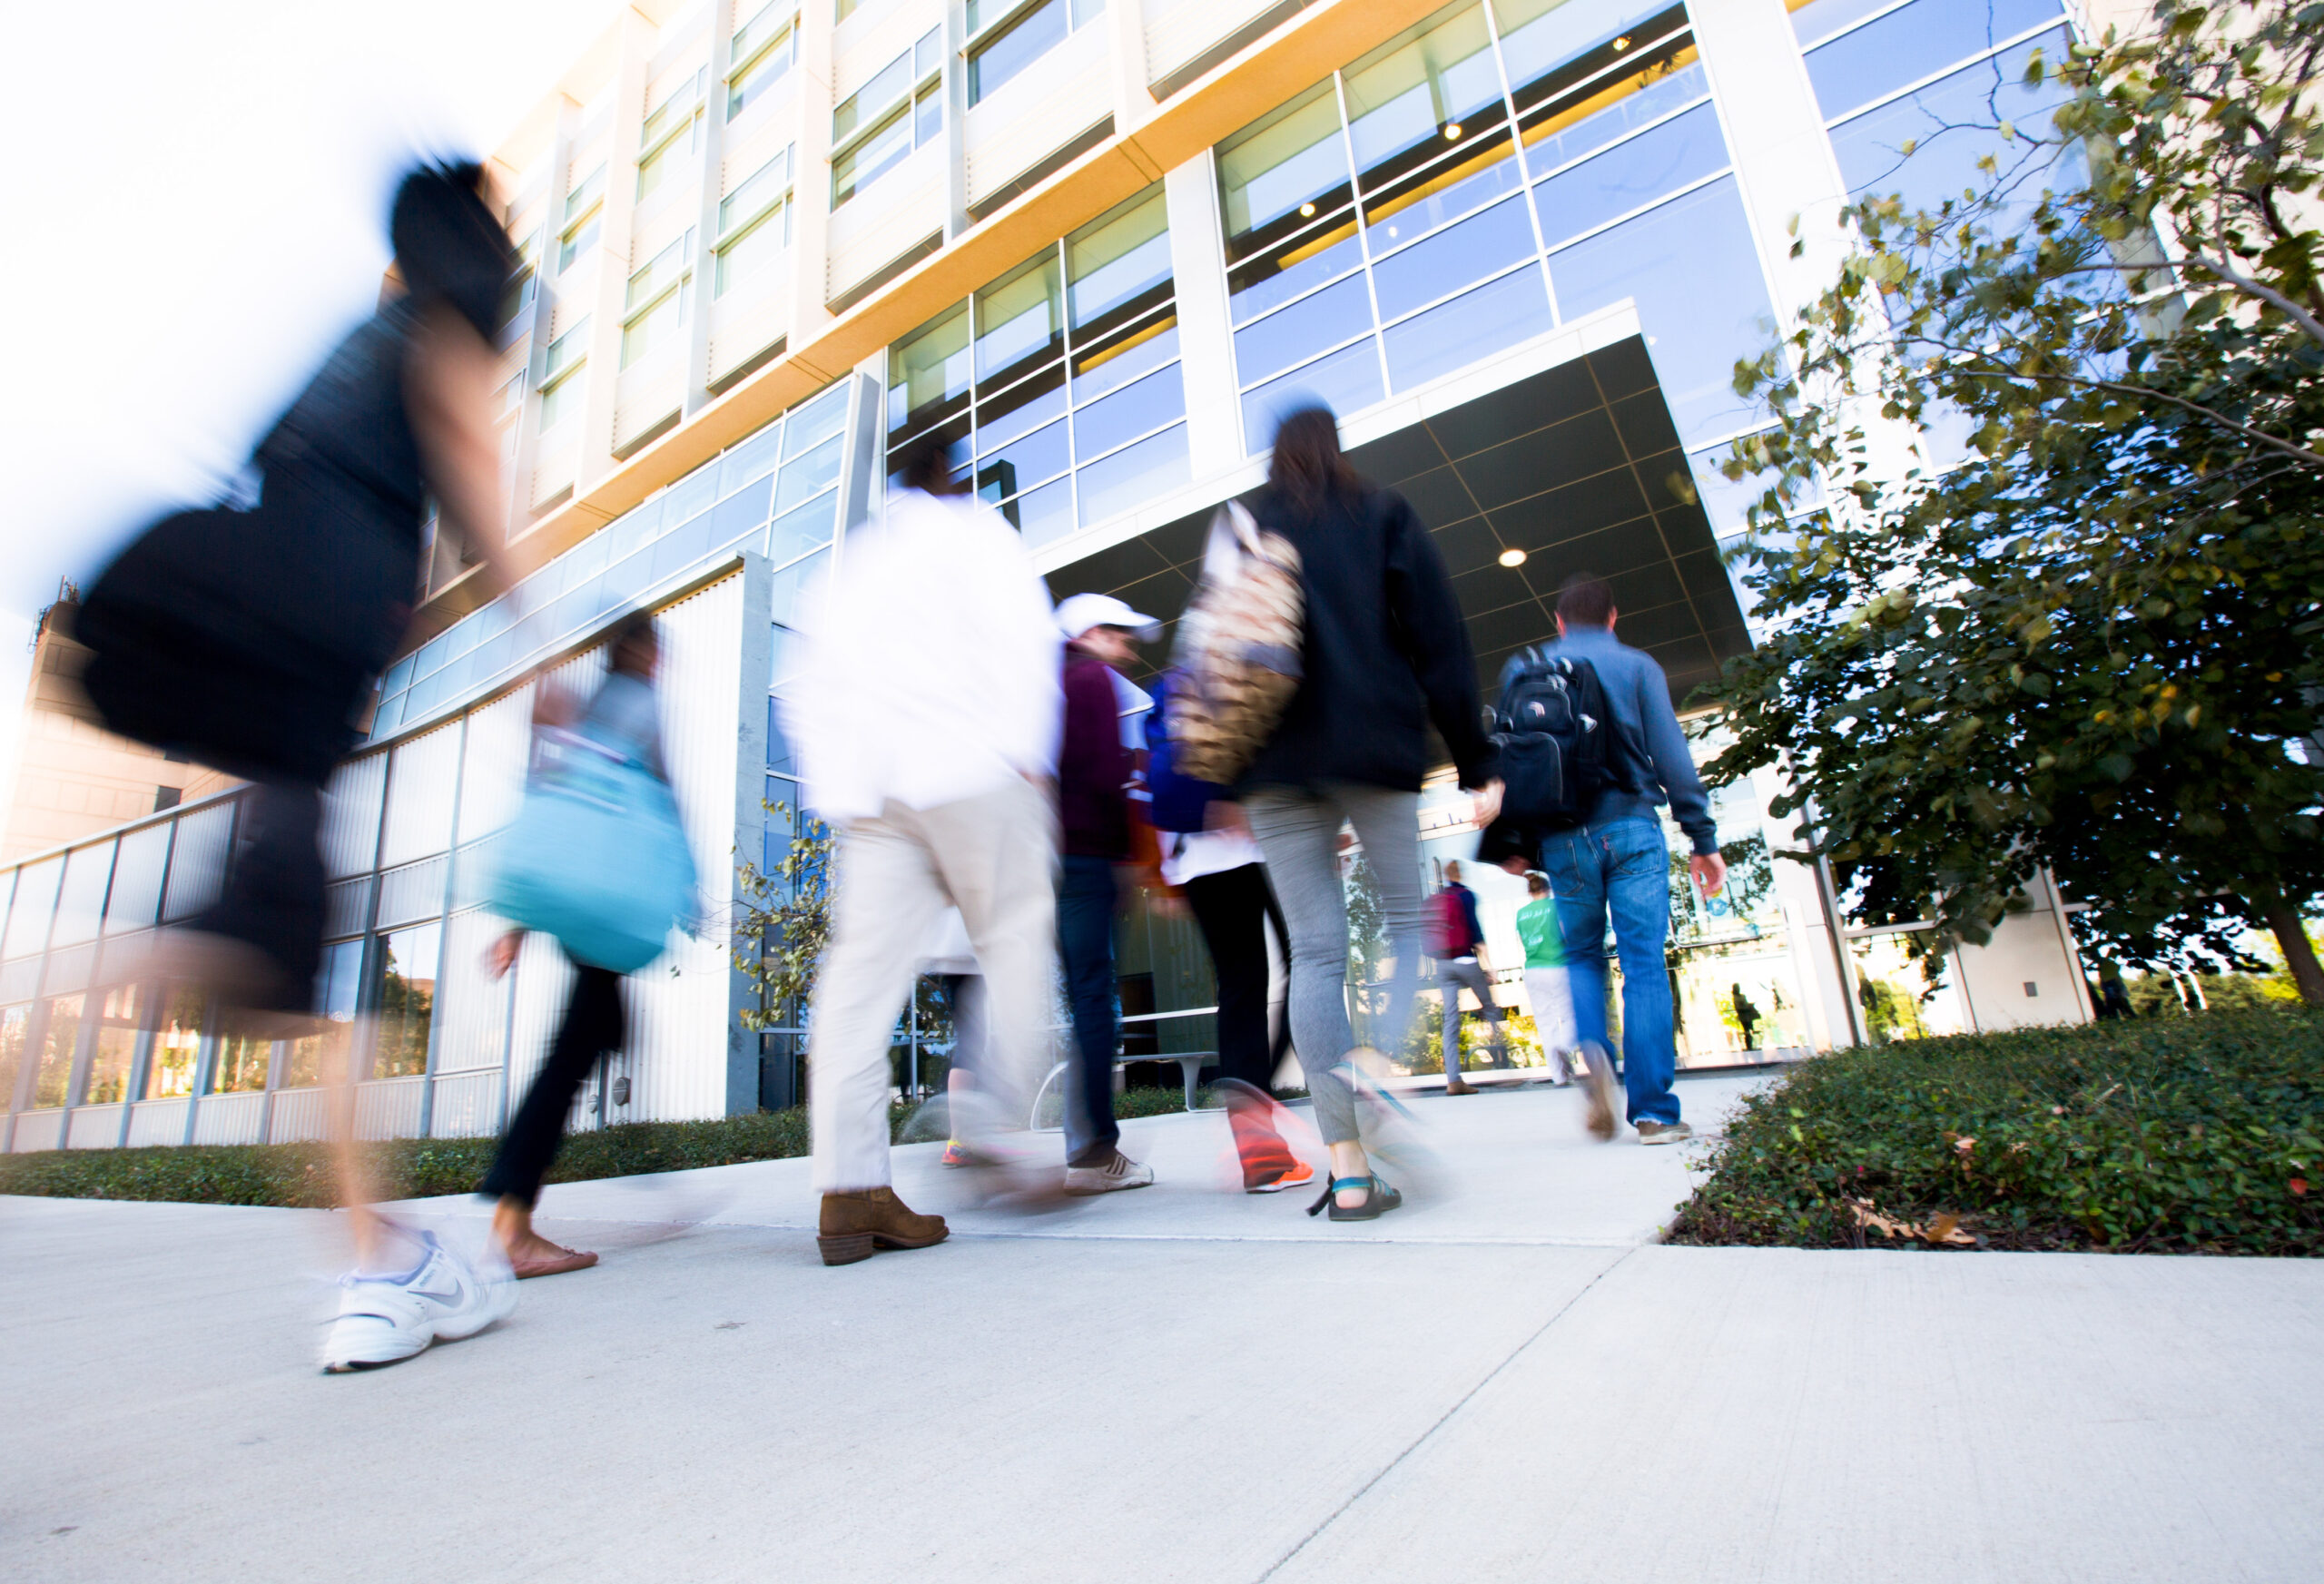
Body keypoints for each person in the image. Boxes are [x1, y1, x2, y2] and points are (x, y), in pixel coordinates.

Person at [76, 162, 525, 1370]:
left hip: (262, 627)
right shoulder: (439, 329)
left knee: (283, 954)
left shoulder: (352, 347)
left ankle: (377, 1250)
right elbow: (468, 492)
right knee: (318, 981)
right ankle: (376, 1265)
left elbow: (376, 539)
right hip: (307, 647)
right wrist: (538, 621)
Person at [782, 429, 1062, 1264]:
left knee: (857, 990)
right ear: (953, 474)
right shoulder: (983, 536)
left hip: (879, 796)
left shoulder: (853, 564)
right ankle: (992, 1127)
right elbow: (1027, 651)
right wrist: (1030, 763)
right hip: (975, 770)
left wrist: (844, 795)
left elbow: (808, 683)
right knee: (1016, 942)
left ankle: (848, 1192)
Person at [1235, 406, 1502, 1221]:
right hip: (1373, 749)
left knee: (1314, 956)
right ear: (1336, 447)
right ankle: (1370, 1060)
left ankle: (1349, 1175)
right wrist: (1476, 755)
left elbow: (1216, 644)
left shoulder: (1246, 522)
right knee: (1406, 918)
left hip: (1274, 763)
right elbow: (1440, 640)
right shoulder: (1381, 510)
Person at [477, 612, 667, 1278]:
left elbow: (555, 814)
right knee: (571, 1056)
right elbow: (659, 806)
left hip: (580, 907)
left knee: (603, 1029)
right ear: (641, 652)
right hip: (610, 908)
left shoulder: (587, 709)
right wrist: (683, 892)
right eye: (656, 650)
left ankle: (639, 1159)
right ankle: (513, 1220)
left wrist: (518, 923)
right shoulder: (638, 706)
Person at [1520, 572, 1725, 1146]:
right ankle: (1655, 1113)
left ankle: (1595, 1054)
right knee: (1643, 966)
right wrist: (1701, 838)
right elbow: (1673, 758)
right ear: (1614, 617)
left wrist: (1519, 843)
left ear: (1557, 622)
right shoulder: (1638, 667)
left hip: (1563, 839)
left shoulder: (1528, 670)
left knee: (1583, 958)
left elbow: (1512, 757)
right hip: (1632, 826)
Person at [1052, 592, 1162, 1194]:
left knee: (1081, 1000)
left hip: (1053, 862)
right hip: (1088, 860)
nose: (1127, 649)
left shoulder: (1050, 684)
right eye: (1120, 635)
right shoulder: (1091, 680)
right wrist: (1128, 855)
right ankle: (1094, 1153)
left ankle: (1082, 1145)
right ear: (1092, 632)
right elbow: (1097, 775)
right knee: (1097, 1002)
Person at [1162, 812, 1310, 1191]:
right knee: (1312, 963)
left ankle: (1259, 1149)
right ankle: (1254, 1112)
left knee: (1239, 990)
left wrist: (1163, 863)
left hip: (1192, 859)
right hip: (1254, 845)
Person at [1429, 860, 1507, 1095]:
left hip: (1443, 965)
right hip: (1466, 961)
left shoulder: (1438, 898)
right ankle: (1505, 1070)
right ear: (1460, 874)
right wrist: (1489, 966)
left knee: (1450, 1021)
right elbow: (1475, 931)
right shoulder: (1466, 896)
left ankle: (1453, 1081)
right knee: (1490, 1008)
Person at [1513, 871, 1577, 1085]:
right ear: (1548, 890)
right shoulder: (1556, 906)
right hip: (1558, 966)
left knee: (1545, 1022)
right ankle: (1564, 1046)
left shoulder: (1521, 914)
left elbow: (1522, 942)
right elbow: (1566, 934)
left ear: (1530, 892)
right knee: (1569, 1015)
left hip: (1533, 970)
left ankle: (1558, 1076)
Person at [1731, 983, 1761, 1050]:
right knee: (1747, 1030)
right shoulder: (1736, 997)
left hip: (1746, 1015)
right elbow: (1739, 1006)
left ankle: (1750, 1044)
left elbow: (1743, 1005)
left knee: (1749, 1030)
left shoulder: (1741, 996)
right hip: (1744, 1015)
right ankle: (1749, 1045)